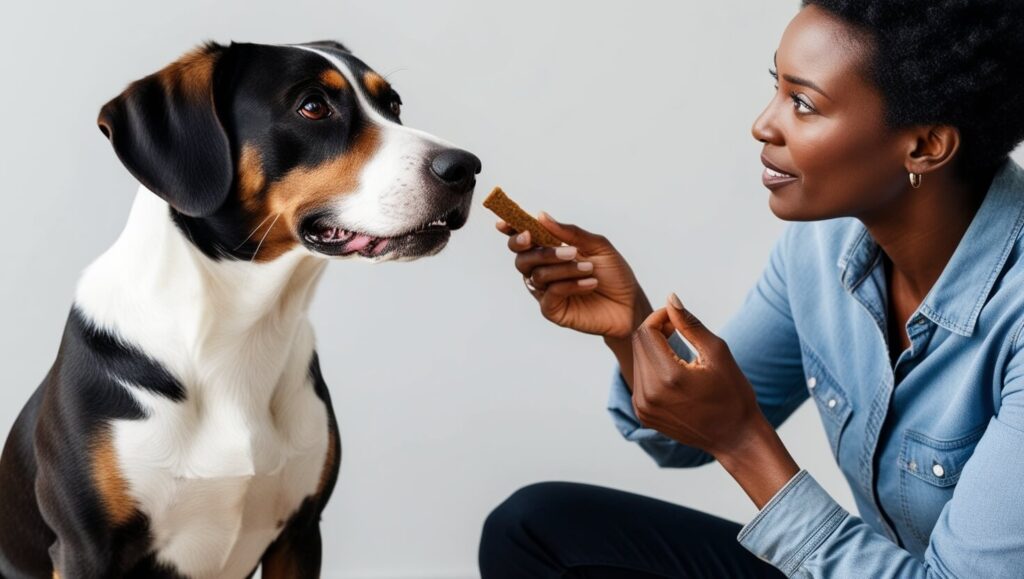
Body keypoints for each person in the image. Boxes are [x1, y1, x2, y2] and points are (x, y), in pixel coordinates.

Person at [478, 1, 1024, 577]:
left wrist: (742, 440)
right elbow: (683, 440)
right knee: (537, 529)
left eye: (803, 103)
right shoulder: (822, 248)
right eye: (777, 87)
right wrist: (631, 327)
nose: (763, 125)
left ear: (925, 146)